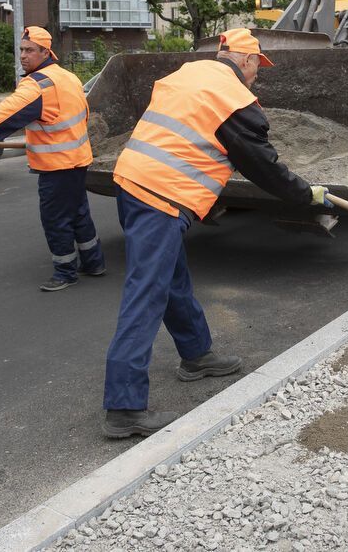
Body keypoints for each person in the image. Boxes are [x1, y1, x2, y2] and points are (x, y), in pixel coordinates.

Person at [102, 27, 331, 439]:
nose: (256, 76)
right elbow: (261, 165)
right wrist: (305, 194)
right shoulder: (233, 98)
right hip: (162, 196)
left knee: (171, 279)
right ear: (244, 60)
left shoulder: (187, 74)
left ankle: (196, 355)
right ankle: (123, 408)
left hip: (131, 180)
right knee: (146, 295)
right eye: (256, 67)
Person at [0, 26, 105, 291]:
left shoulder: (38, 86)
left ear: (45, 52)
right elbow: (82, 115)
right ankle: (94, 262)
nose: (23, 56)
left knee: (56, 219)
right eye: (21, 50)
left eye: (30, 50)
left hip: (56, 165)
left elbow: (4, 115)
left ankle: (65, 272)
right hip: (78, 159)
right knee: (78, 212)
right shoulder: (68, 77)